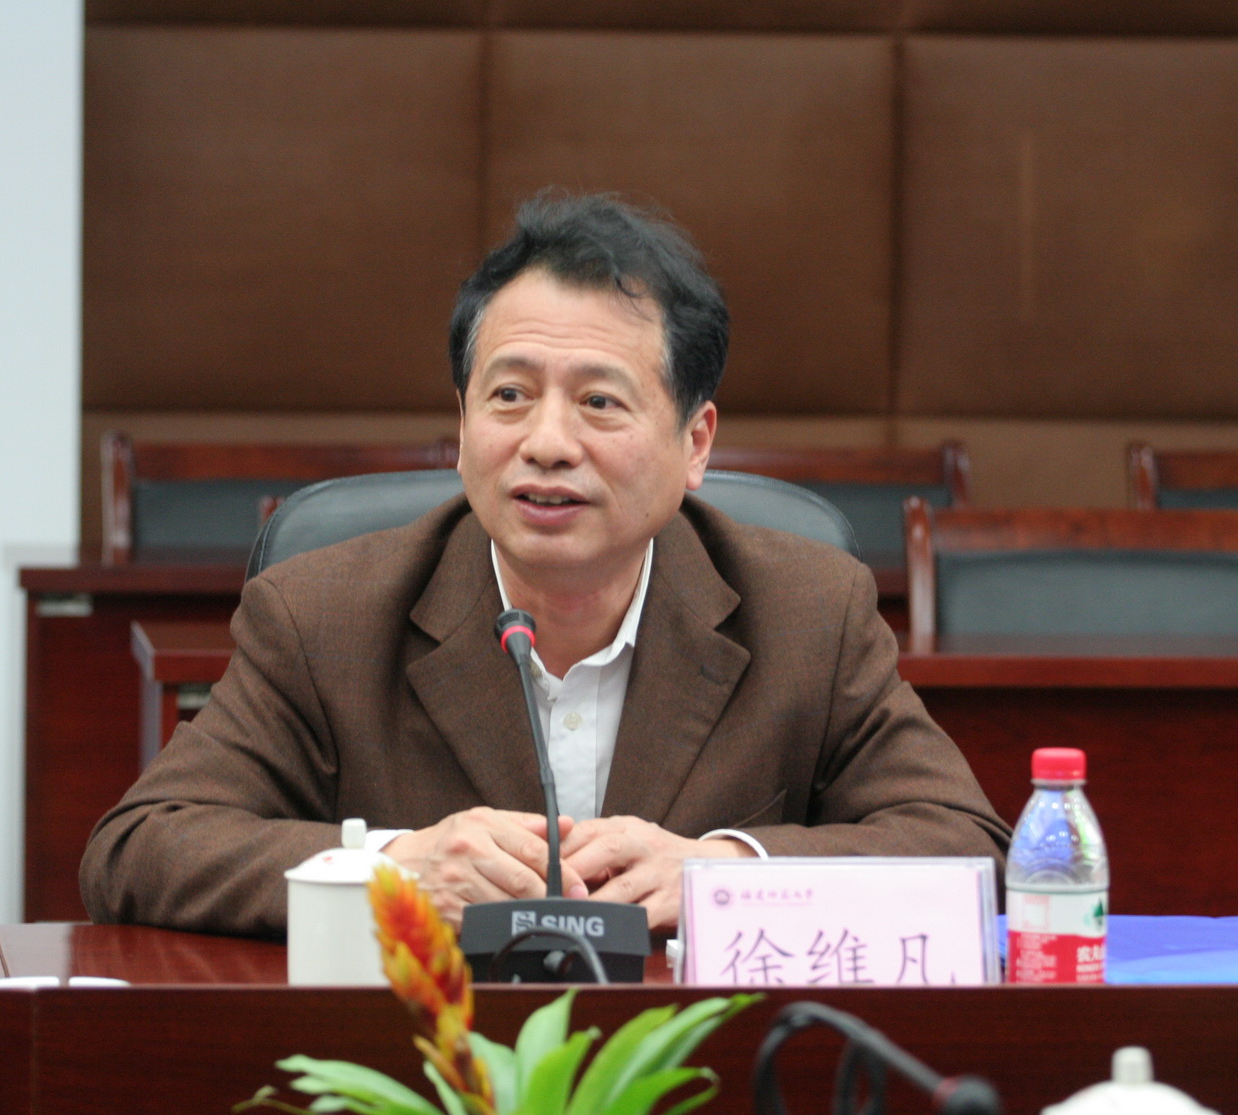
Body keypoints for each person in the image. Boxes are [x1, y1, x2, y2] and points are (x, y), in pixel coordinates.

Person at [80, 193, 1010, 937]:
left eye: (600, 402)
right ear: (461, 428)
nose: (547, 443)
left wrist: (725, 872)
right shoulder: (323, 614)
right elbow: (141, 847)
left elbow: (971, 853)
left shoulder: (808, 610)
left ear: (695, 442)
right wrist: (390, 870)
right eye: (510, 395)